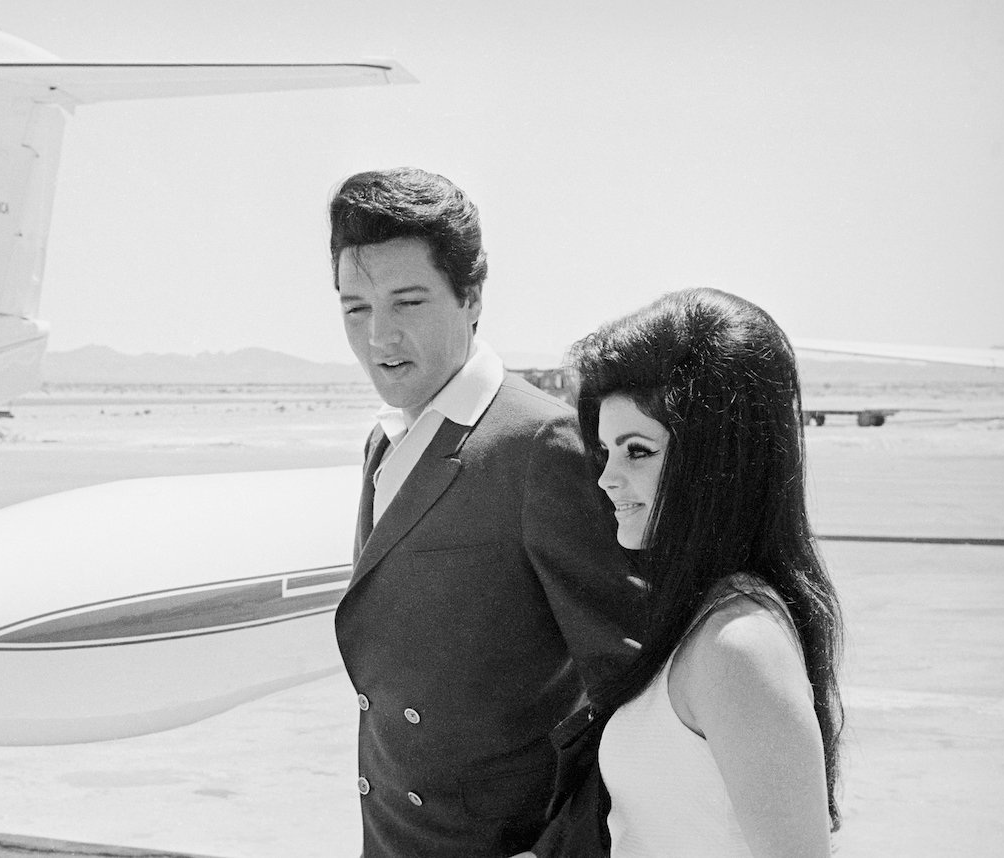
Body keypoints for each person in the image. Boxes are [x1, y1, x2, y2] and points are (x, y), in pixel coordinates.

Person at [328, 167, 645, 857]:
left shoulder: (540, 443)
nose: (379, 337)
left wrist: (562, 849)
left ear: (471, 296)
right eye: (356, 308)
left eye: (407, 302)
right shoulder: (384, 440)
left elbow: (627, 681)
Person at [556, 287, 845, 857]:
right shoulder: (704, 623)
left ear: (716, 459)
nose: (607, 478)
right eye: (605, 452)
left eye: (637, 450)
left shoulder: (740, 648)